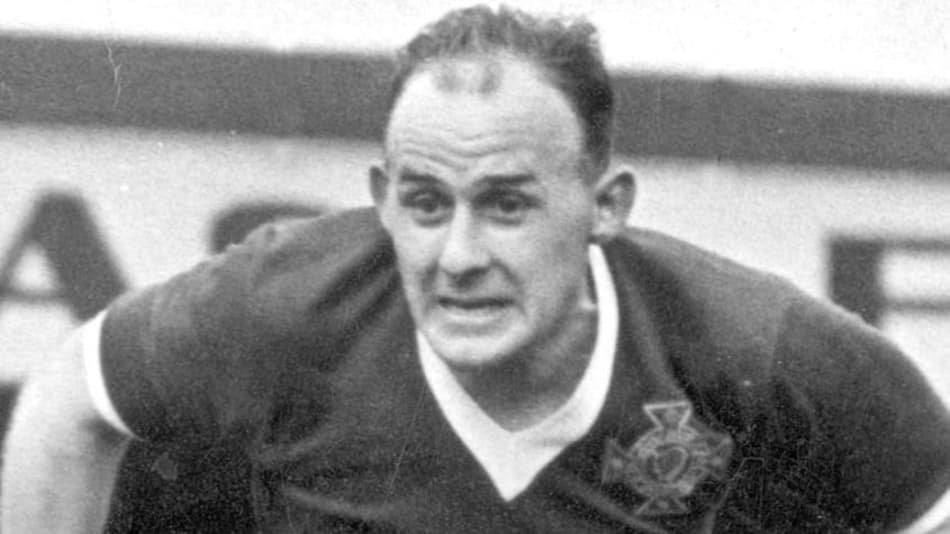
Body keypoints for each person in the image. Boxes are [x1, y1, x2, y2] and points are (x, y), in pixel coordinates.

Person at [3, 5, 949, 533]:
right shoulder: (287, 304)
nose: (457, 258)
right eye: (425, 203)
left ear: (605, 206)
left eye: (506, 205)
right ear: (383, 199)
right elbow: (72, 397)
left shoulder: (747, 341)